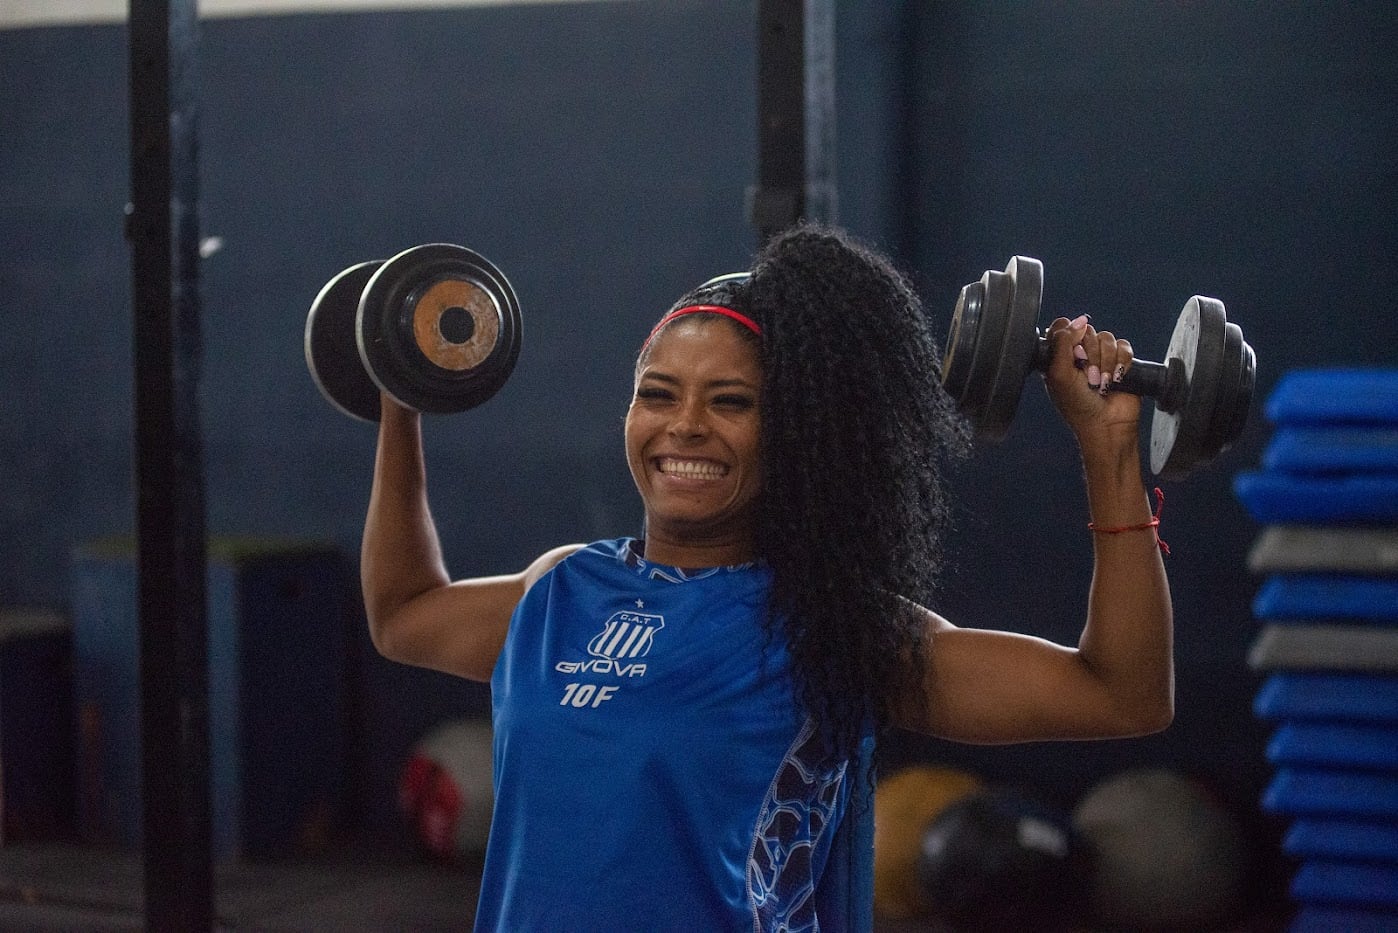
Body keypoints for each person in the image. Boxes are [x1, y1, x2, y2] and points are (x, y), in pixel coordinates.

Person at [360, 224, 1173, 931]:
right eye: (658, 394)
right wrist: (403, 396)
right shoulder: (560, 591)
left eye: (732, 402)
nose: (684, 425)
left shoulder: (835, 629)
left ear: (797, 434)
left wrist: (1107, 451)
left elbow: (1120, 693)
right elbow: (404, 611)